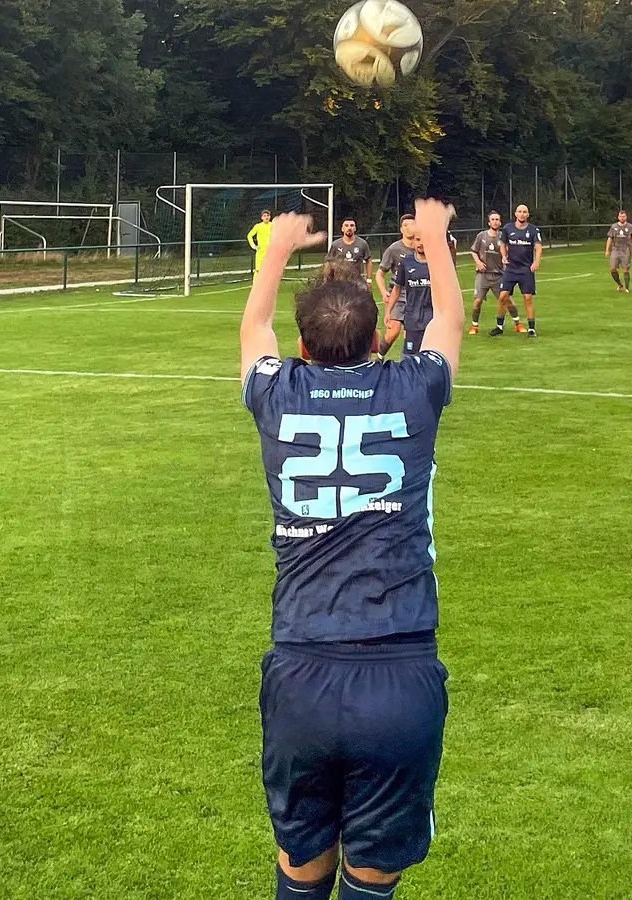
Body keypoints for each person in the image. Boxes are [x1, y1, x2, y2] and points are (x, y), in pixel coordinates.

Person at [237, 198, 462, 900]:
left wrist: (275, 250)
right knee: (372, 880)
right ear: (380, 341)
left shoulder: (277, 392)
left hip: (301, 669)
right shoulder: (413, 385)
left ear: (302, 348)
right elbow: (450, 321)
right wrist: (434, 238)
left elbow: (253, 326)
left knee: (301, 871)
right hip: (397, 671)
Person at [468, 211, 523, 335]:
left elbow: (510, 253)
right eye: (493, 219)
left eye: (497, 219)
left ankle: (518, 324)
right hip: (483, 275)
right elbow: (473, 251)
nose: (495, 221)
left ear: (500, 222)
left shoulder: (504, 237)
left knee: (507, 300)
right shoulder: (481, 236)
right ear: (489, 222)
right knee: (477, 301)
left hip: (499, 275)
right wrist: (478, 263)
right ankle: (474, 326)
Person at [386, 228, 435, 356]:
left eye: (424, 240)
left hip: (432, 319)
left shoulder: (435, 263)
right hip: (412, 318)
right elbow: (397, 288)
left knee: (429, 356)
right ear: (413, 241)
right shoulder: (406, 263)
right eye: (418, 240)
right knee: (409, 357)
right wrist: (388, 311)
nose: (421, 243)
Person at [376, 214, 419, 353]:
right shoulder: (394, 249)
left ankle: (406, 362)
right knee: (392, 333)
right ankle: (380, 358)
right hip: (398, 296)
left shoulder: (422, 248)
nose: (408, 228)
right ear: (401, 229)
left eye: (411, 224)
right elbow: (380, 274)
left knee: (410, 336)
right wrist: (384, 292)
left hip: (415, 296)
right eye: (405, 225)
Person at [497, 204, 541, 337]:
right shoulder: (507, 228)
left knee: (527, 298)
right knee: (502, 296)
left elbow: (538, 247)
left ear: (527, 215)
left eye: (525, 212)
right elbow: (502, 244)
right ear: (515, 214)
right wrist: (504, 256)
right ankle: (499, 326)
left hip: (526, 269)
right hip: (511, 269)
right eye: (520, 211)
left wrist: (536, 261)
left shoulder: (533, 230)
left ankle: (531, 328)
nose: (522, 214)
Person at [327, 218, 372, 282]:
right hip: (340, 282)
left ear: (355, 228)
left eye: (352, 225)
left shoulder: (362, 243)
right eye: (346, 225)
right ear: (342, 229)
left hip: (358, 282)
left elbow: (369, 261)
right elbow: (329, 263)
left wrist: (369, 279)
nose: (349, 228)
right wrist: (328, 279)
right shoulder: (335, 245)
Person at [605, 210, 632, 293]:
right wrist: (607, 250)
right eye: (620, 216)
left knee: (625, 269)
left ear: (626, 217)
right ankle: (619, 284)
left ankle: (626, 288)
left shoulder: (630, 227)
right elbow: (609, 239)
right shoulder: (613, 227)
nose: (622, 218)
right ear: (618, 217)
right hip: (615, 250)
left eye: (623, 216)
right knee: (612, 268)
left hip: (626, 250)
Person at [247, 210, 274, 280]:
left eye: (268, 215)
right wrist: (253, 245)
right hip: (261, 252)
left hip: (270, 252)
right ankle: (255, 288)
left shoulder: (273, 225)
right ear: (261, 217)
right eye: (264, 216)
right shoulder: (258, 226)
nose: (266, 217)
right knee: (258, 271)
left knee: (269, 271)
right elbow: (249, 235)